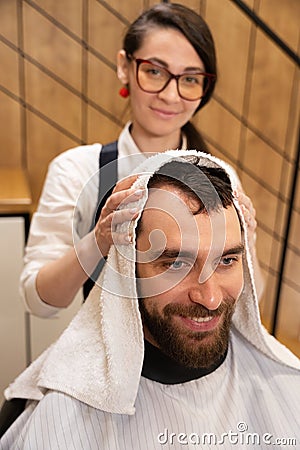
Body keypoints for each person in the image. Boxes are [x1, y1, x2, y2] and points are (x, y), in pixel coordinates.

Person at [0, 150, 298, 449]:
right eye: (176, 264)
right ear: (127, 269)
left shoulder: (286, 385)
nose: (209, 297)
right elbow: (39, 297)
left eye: (226, 260)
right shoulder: (62, 416)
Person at [20, 3, 263, 318]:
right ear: (125, 66)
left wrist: (247, 239)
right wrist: (99, 239)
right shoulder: (76, 170)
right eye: (155, 71)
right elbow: (39, 301)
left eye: (189, 79)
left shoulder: (220, 175)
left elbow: (249, 297)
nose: (170, 95)